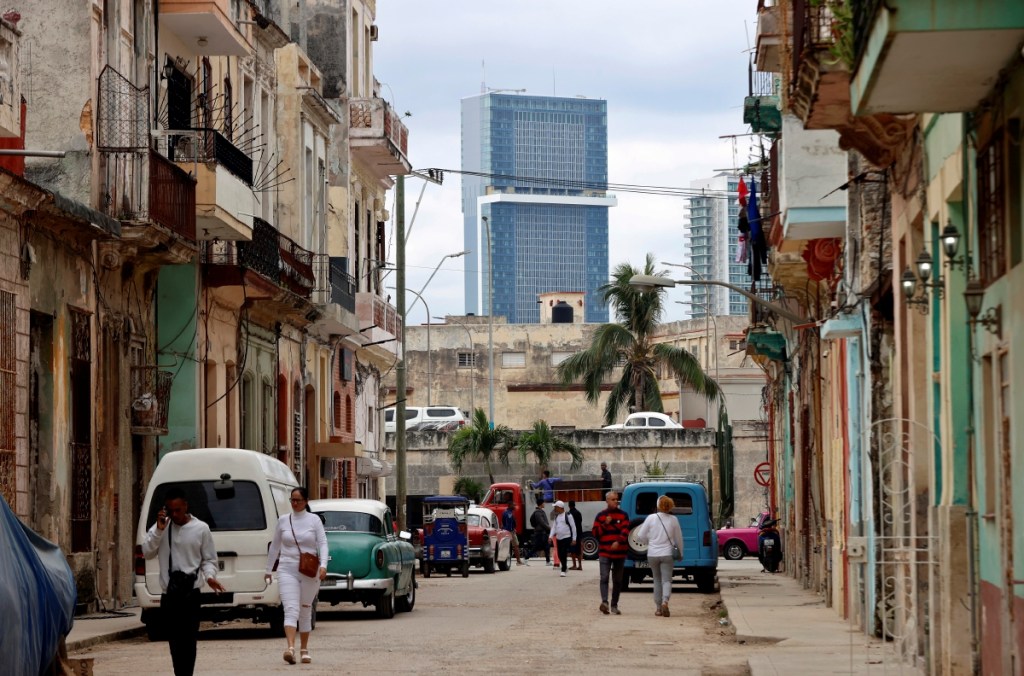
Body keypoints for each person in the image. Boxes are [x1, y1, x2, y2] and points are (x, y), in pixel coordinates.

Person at [142, 487, 224, 676]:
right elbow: (147, 552)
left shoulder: (201, 528)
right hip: (169, 595)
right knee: (174, 643)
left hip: (191, 595)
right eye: (171, 510)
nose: (175, 514)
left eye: (178, 509)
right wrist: (159, 530)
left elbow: (209, 559)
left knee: (189, 641)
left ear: (186, 506)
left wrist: (210, 577)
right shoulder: (160, 528)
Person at [265, 487, 328, 665]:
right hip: (287, 568)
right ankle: (290, 648)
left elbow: (322, 543)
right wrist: (268, 570)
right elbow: (275, 546)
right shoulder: (283, 521)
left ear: (306, 501)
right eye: (292, 499)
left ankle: (304, 649)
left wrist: (323, 565)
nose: (294, 503)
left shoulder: (314, 520)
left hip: (309, 570)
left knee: (305, 608)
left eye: (298, 500)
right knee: (291, 608)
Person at [635, 495, 684, 617]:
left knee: (656, 580)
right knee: (666, 580)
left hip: (652, 554)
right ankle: (665, 602)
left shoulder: (651, 518)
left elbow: (640, 535)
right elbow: (679, 539)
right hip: (667, 554)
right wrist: (681, 553)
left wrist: (649, 542)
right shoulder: (674, 520)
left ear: (657, 505)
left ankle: (658, 608)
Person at [591, 490, 631, 615]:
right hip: (604, 552)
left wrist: (618, 542)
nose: (616, 501)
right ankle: (604, 602)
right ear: (607, 501)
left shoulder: (623, 515)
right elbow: (595, 533)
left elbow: (626, 530)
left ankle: (614, 604)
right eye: (613, 499)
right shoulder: (600, 516)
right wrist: (605, 524)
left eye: (616, 499)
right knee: (604, 577)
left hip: (619, 553)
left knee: (618, 580)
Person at [548, 500, 576, 577]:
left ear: (560, 507)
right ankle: (565, 566)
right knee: (560, 554)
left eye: (555, 507)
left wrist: (574, 538)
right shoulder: (557, 516)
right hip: (558, 538)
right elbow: (554, 527)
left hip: (566, 537)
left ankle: (563, 569)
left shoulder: (568, 515)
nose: (554, 509)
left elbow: (573, 527)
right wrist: (550, 536)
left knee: (563, 552)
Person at [530, 500, 552, 564]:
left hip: (543, 532)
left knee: (546, 547)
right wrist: (549, 528)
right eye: (543, 503)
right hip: (540, 532)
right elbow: (541, 522)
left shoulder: (541, 511)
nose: (544, 504)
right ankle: (526, 557)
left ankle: (548, 561)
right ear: (541, 504)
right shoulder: (538, 512)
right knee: (536, 547)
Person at [567, 500, 584, 570]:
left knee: (573, 550)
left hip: (572, 534)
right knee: (578, 550)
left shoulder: (569, 514)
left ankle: (574, 565)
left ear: (569, 505)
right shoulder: (578, 513)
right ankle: (580, 565)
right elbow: (580, 522)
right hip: (579, 533)